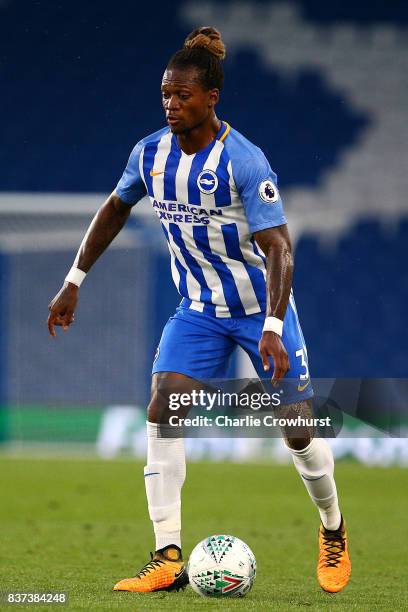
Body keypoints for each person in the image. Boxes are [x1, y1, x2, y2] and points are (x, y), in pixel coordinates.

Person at [47, 26, 351, 595]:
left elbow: (280, 249)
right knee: (164, 402)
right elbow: (114, 209)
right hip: (199, 310)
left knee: (297, 428)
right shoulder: (149, 154)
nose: (171, 104)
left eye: (182, 95)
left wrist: (273, 326)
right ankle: (166, 554)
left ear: (211, 98)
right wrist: (74, 280)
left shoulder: (244, 161)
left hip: (261, 311)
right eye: (165, 94)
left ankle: (333, 529)